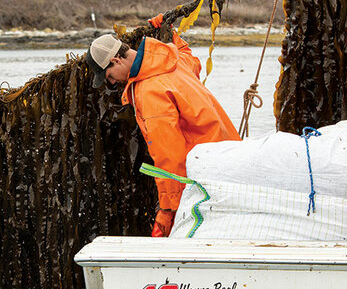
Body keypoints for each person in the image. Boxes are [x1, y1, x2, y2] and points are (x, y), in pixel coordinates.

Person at [85, 15, 240, 237]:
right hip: (231, 155)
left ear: (117, 61)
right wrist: (169, 31)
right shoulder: (172, 60)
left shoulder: (149, 90)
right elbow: (190, 58)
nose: (110, 83)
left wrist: (168, 209)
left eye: (108, 76)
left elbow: (169, 154)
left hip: (209, 172)